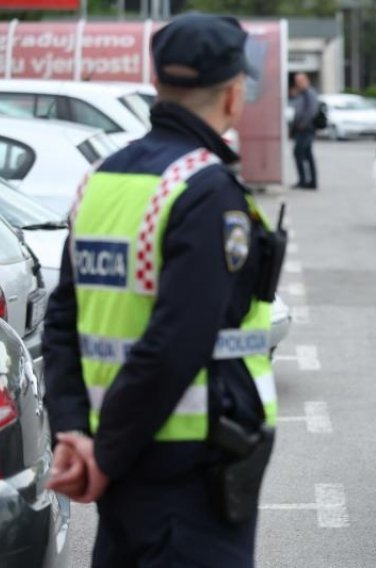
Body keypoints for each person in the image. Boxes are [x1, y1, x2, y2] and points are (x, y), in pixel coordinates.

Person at [44, 13, 279, 567]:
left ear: (159, 86)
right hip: (192, 471)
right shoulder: (206, 190)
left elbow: (63, 318)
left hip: (124, 464)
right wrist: (104, 455)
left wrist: (74, 430)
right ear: (231, 94)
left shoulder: (102, 177)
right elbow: (175, 343)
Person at [291, 72, 319, 189]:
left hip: (306, 129)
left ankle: (307, 181)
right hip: (300, 128)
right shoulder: (300, 94)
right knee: (306, 154)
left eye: (301, 81)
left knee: (300, 153)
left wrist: (303, 123)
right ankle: (308, 181)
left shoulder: (309, 93)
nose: (299, 83)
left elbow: (312, 110)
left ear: (306, 80)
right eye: (297, 81)